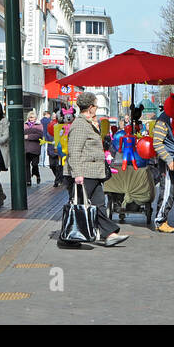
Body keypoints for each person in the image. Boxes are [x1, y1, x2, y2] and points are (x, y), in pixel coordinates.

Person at [63, 91, 128, 247]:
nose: (97, 108)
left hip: (93, 172)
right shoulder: (79, 125)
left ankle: (109, 234)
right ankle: (68, 237)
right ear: (90, 107)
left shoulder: (88, 123)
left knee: (98, 205)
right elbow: (74, 151)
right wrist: (77, 174)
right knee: (79, 205)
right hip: (84, 173)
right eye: (96, 105)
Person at [24, 111, 44, 185]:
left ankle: (37, 174)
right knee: (26, 165)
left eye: (32, 117)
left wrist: (28, 136)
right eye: (30, 117)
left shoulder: (39, 125)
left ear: (35, 118)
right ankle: (28, 180)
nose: (31, 118)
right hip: (26, 148)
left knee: (35, 164)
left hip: (35, 149)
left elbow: (39, 135)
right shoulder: (25, 125)